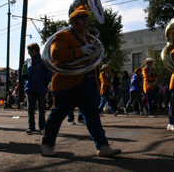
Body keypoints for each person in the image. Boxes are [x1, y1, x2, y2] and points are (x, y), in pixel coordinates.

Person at [41, 9, 121, 157]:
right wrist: (81, 50)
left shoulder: (87, 39)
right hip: (67, 84)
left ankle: (102, 146)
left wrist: (96, 82)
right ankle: (47, 144)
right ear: (73, 20)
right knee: (57, 116)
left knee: (93, 117)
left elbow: (92, 62)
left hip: (87, 84)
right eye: (82, 19)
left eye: (86, 19)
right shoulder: (62, 36)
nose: (86, 22)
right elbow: (57, 55)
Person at [23, 43, 53, 134]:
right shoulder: (27, 61)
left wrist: (47, 79)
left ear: (35, 50)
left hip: (40, 88)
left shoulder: (43, 61)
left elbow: (49, 70)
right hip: (30, 88)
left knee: (41, 109)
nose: (28, 53)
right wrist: (24, 76)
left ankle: (42, 126)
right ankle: (31, 127)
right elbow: (24, 73)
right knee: (30, 109)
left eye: (30, 51)